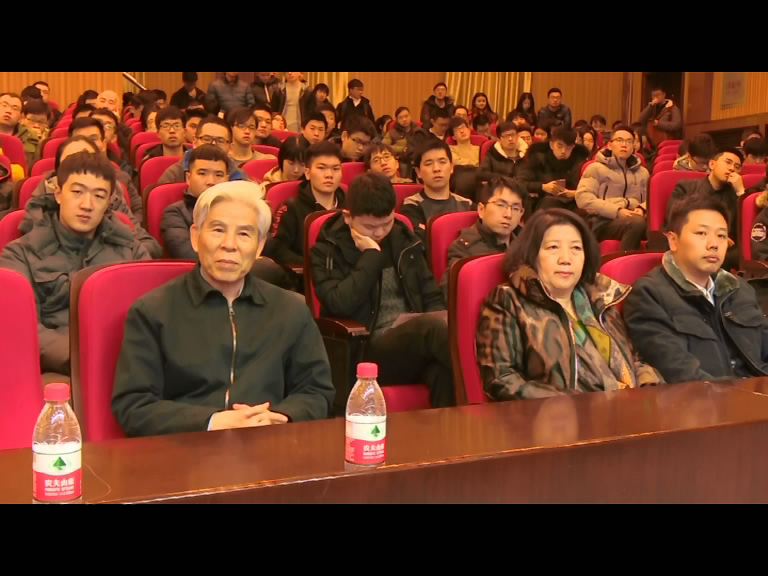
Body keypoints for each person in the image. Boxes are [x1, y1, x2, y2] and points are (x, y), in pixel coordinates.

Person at [112, 181, 335, 436]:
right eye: (218, 230)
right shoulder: (152, 311)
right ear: (195, 237)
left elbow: (317, 391)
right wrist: (213, 421)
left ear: (259, 246)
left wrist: (281, 416)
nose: (230, 244)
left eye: (244, 234)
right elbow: (134, 406)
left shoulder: (291, 309)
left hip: (268, 444)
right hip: (185, 447)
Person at [476, 208, 661, 400]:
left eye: (576, 248)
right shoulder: (508, 300)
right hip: (564, 414)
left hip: (629, 405)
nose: (566, 259)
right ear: (532, 254)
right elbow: (501, 378)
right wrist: (576, 403)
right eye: (553, 247)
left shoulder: (600, 296)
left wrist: (648, 385)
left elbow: (634, 358)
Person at [311, 172, 455, 408]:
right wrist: (371, 256)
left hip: (413, 342)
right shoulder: (327, 248)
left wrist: (439, 316)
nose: (379, 233)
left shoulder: (403, 238)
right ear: (347, 217)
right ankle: (488, 389)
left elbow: (430, 293)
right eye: (369, 227)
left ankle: (454, 430)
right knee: (430, 329)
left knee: (442, 372)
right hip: (365, 348)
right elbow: (339, 303)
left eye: (386, 223)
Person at [0, 152, 151, 375]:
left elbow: (152, 316)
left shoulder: (131, 250)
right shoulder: (19, 254)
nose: (87, 205)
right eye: (77, 192)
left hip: (126, 367)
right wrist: (88, 357)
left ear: (109, 203)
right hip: (55, 371)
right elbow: (20, 327)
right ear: (58, 194)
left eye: (99, 196)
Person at [625, 193, 768, 383]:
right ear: (673, 240)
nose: (714, 244)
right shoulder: (649, 295)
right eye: (701, 233)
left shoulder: (739, 288)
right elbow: (680, 372)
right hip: (708, 398)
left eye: (721, 236)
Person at [440, 176, 525, 292]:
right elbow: (452, 296)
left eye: (515, 208)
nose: (508, 214)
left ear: (521, 213)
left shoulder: (525, 246)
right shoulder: (464, 250)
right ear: (481, 209)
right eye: (501, 205)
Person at [270, 141, 345, 266]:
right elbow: (278, 250)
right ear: (308, 173)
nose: (329, 175)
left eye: (335, 169)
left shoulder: (350, 205)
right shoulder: (291, 208)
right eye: (321, 168)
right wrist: (312, 266)